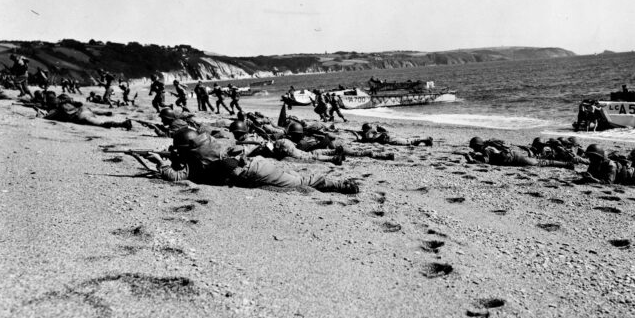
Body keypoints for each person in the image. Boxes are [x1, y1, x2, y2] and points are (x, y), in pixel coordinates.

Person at [144, 129, 360, 193]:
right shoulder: (210, 144)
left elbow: (174, 176)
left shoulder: (196, 163)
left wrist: (159, 162)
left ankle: (341, 185)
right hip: (256, 164)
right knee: (296, 177)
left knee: (301, 182)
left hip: (254, 171)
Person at [39, 92, 133, 130]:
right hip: (83, 110)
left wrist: (40, 113)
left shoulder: (56, 109)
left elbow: (45, 117)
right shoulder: (65, 101)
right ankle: (106, 114)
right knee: (93, 113)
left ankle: (122, 124)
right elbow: (80, 104)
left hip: (80, 116)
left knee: (101, 124)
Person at [466, 137, 573, 168]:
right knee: (539, 159)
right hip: (514, 153)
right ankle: (566, 162)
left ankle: (567, 164)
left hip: (514, 157)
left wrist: (470, 159)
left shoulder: (486, 150)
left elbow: (483, 162)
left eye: (474, 148)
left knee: (540, 163)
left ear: (477, 146)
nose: (473, 150)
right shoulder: (489, 146)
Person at [347, 123, 433, 147]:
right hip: (388, 136)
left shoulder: (368, 134)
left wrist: (356, 134)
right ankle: (423, 139)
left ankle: (426, 139)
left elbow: (364, 140)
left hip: (388, 139)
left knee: (407, 142)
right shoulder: (373, 131)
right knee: (406, 140)